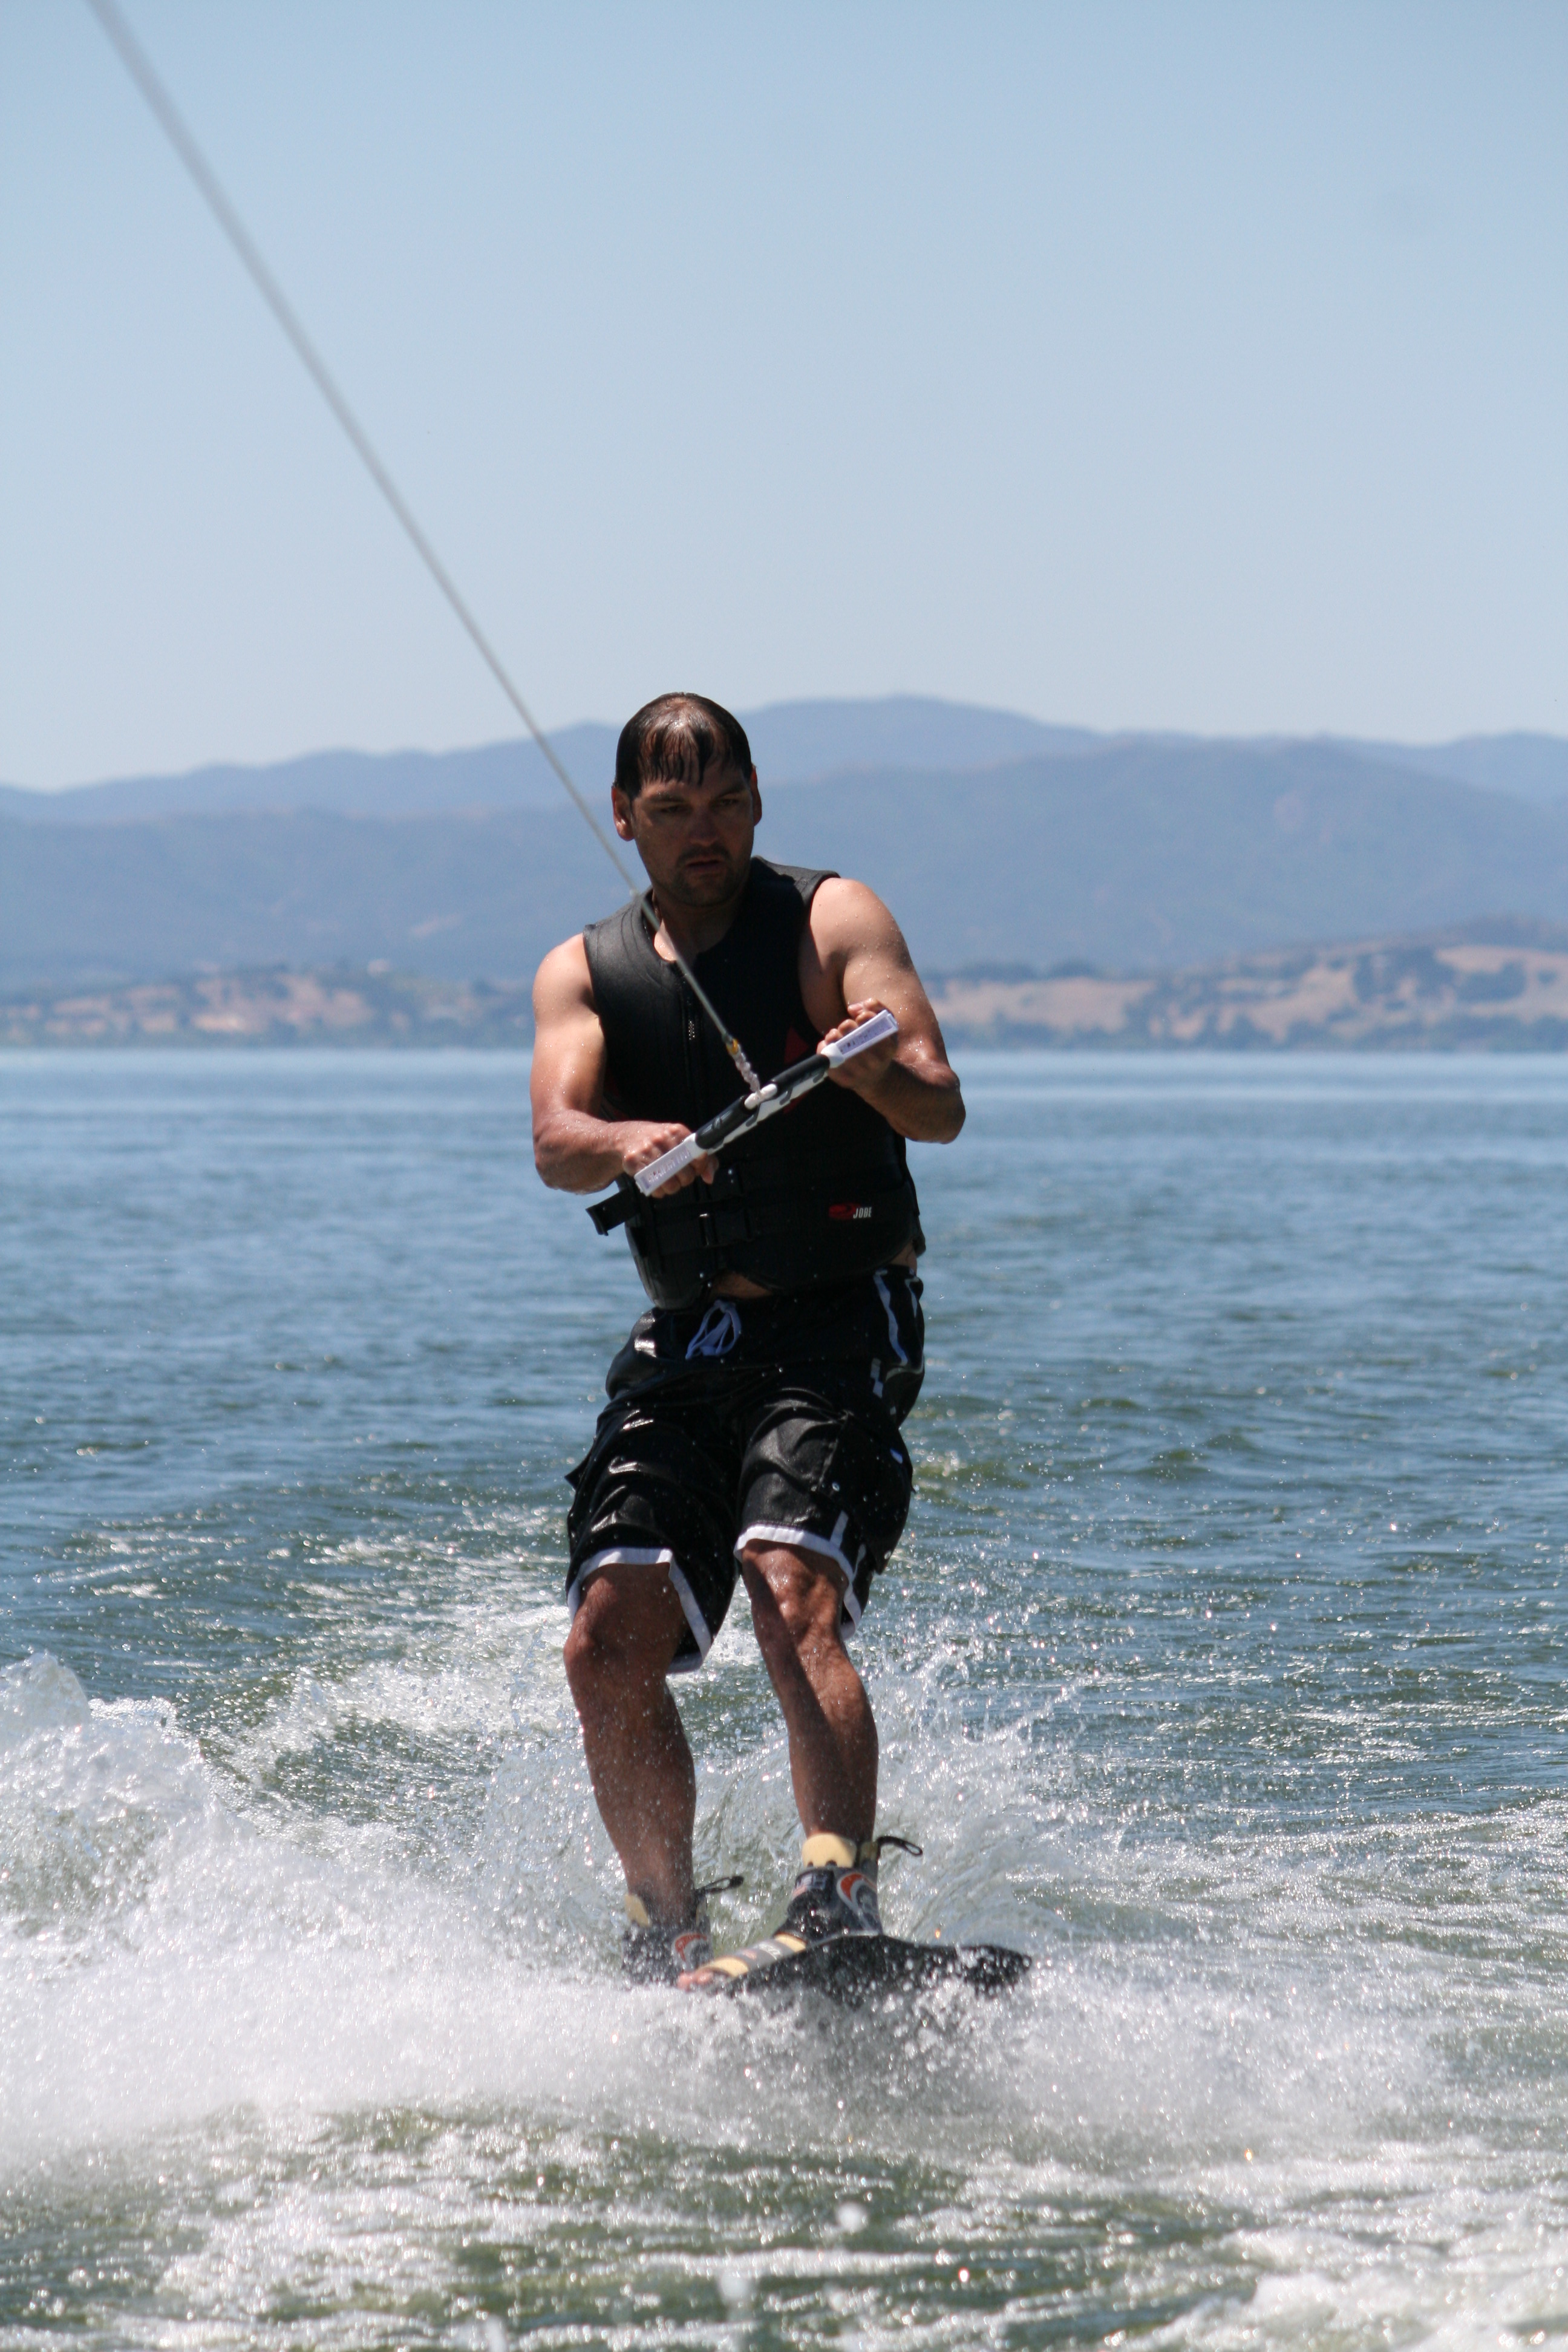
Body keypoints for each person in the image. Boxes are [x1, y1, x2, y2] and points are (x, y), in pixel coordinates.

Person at [530, 692, 963, 1988]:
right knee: (605, 1637)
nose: (704, 831)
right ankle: (667, 1925)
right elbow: (557, 1139)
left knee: (787, 1583)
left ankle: (836, 1887)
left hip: (840, 1317)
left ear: (760, 799)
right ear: (625, 818)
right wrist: (624, 1141)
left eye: (725, 803)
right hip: (689, 1336)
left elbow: (938, 1105)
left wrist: (868, 1069)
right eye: (672, 811)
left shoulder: (834, 922)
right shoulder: (585, 971)